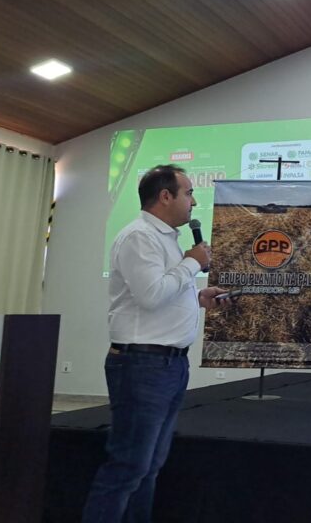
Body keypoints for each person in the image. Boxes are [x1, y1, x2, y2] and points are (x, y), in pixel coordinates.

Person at [82, 164, 229, 523]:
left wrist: (197, 297)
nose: (194, 201)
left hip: (168, 365)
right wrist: (192, 264)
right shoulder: (139, 237)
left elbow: (160, 293)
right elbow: (150, 295)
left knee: (148, 467)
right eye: (189, 193)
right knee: (128, 467)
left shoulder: (166, 239)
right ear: (165, 196)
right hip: (142, 366)